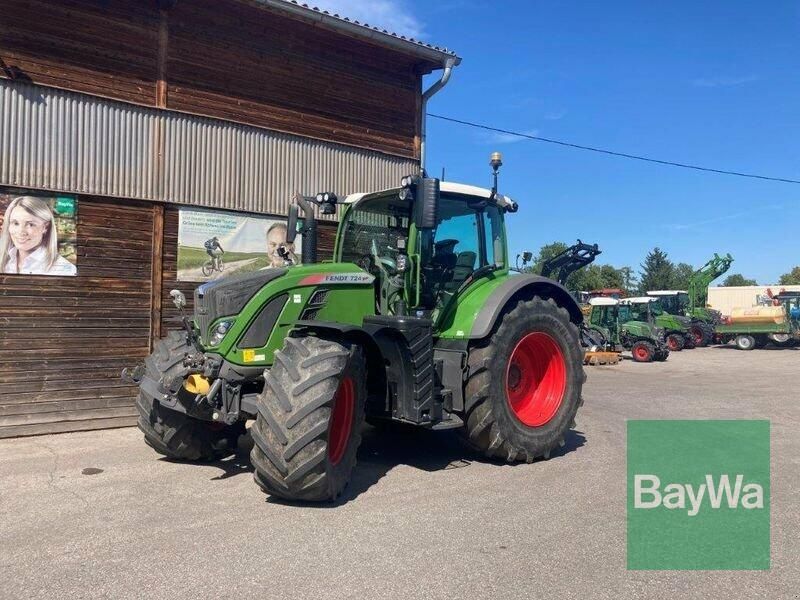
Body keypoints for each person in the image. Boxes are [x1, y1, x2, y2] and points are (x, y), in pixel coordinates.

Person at [0, 196, 76, 276]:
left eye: (30, 224)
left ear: (45, 227)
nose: (21, 232)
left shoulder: (66, 271)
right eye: (15, 223)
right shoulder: (3, 260)